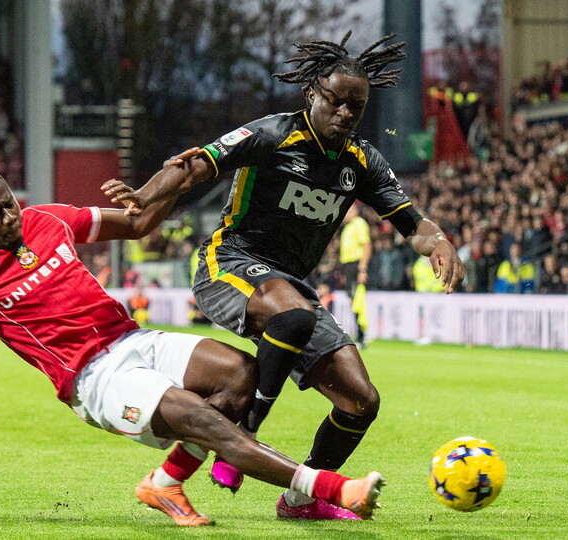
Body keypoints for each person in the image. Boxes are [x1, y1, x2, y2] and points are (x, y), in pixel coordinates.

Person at [0, 103, 386, 527]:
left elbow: (138, 224)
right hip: (93, 377)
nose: (11, 215)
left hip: (134, 339)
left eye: (10, 200)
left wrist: (183, 179)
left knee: (242, 376)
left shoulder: (47, 219)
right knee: (205, 420)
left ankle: (165, 483)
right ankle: (334, 490)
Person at [109, 32, 463, 520]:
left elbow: (411, 224)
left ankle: (301, 500)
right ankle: (249, 430)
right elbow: (195, 166)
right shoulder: (274, 134)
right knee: (292, 312)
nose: (344, 114)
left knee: (361, 400)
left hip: (288, 289)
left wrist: (439, 240)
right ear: (312, 93)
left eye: (355, 108)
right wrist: (145, 195)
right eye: (336, 101)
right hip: (228, 265)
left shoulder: (360, 162)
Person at [339, 205, 371, 347]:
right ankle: (359, 335)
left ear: (356, 211)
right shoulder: (348, 227)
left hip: (356, 265)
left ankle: (362, 336)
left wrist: (362, 268)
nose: (346, 215)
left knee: (358, 301)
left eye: (349, 211)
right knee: (353, 300)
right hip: (348, 266)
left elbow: (366, 246)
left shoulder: (359, 223)